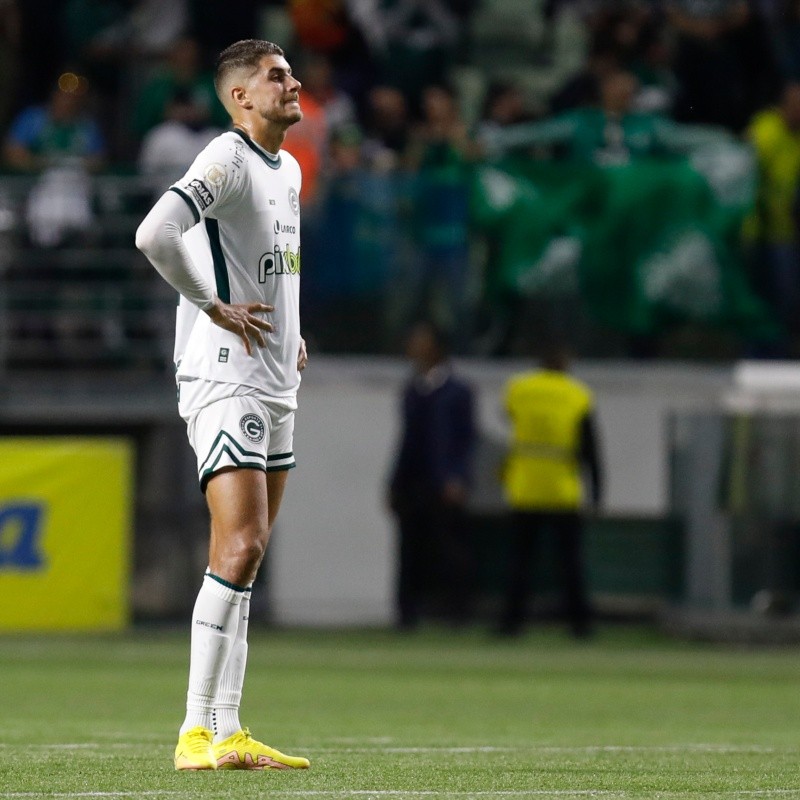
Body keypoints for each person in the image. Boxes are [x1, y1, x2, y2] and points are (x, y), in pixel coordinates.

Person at [135, 39, 311, 773]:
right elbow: (155, 233)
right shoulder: (227, 159)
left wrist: (294, 332)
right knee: (239, 545)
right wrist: (211, 306)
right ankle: (191, 733)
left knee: (248, 554)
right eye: (277, 76)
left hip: (274, 378)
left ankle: (228, 730)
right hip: (223, 376)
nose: (293, 82)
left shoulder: (289, 168)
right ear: (240, 96)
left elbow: (274, 264)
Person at [497, 345, 602, 638]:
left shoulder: (519, 388)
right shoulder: (578, 394)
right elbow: (590, 447)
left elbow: (507, 417)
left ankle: (511, 623)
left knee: (519, 562)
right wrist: (596, 489)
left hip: (525, 486)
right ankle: (580, 624)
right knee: (570, 563)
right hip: (562, 489)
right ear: (567, 363)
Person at [387, 320, 476, 629]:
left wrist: (458, 476)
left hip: (444, 480)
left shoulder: (458, 391)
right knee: (409, 550)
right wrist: (395, 481)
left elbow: (465, 439)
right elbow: (406, 439)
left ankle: (457, 613)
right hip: (414, 480)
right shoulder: (412, 389)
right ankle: (406, 615)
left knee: (450, 549)